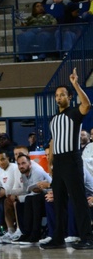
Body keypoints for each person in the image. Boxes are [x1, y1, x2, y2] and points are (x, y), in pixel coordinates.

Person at [45, 70, 93, 249]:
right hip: (58, 162)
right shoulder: (53, 119)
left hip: (72, 160)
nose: (58, 98)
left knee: (79, 199)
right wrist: (50, 162)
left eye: (62, 95)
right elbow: (53, 141)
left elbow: (87, 105)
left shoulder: (74, 113)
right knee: (59, 201)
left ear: (70, 97)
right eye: (57, 95)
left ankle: (87, 237)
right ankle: (58, 238)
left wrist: (75, 84)